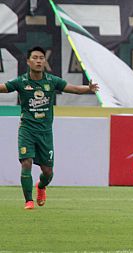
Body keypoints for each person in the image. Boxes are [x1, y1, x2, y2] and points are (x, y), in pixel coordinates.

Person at [0, 47, 99, 209]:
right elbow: (3, 87)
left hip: (45, 133)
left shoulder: (52, 81)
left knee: (48, 172)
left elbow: (73, 89)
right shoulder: (21, 82)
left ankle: (41, 186)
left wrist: (88, 88)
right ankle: (28, 201)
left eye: (41, 58)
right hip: (27, 130)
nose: (39, 61)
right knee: (26, 162)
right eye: (35, 58)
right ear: (28, 61)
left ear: (44, 62)